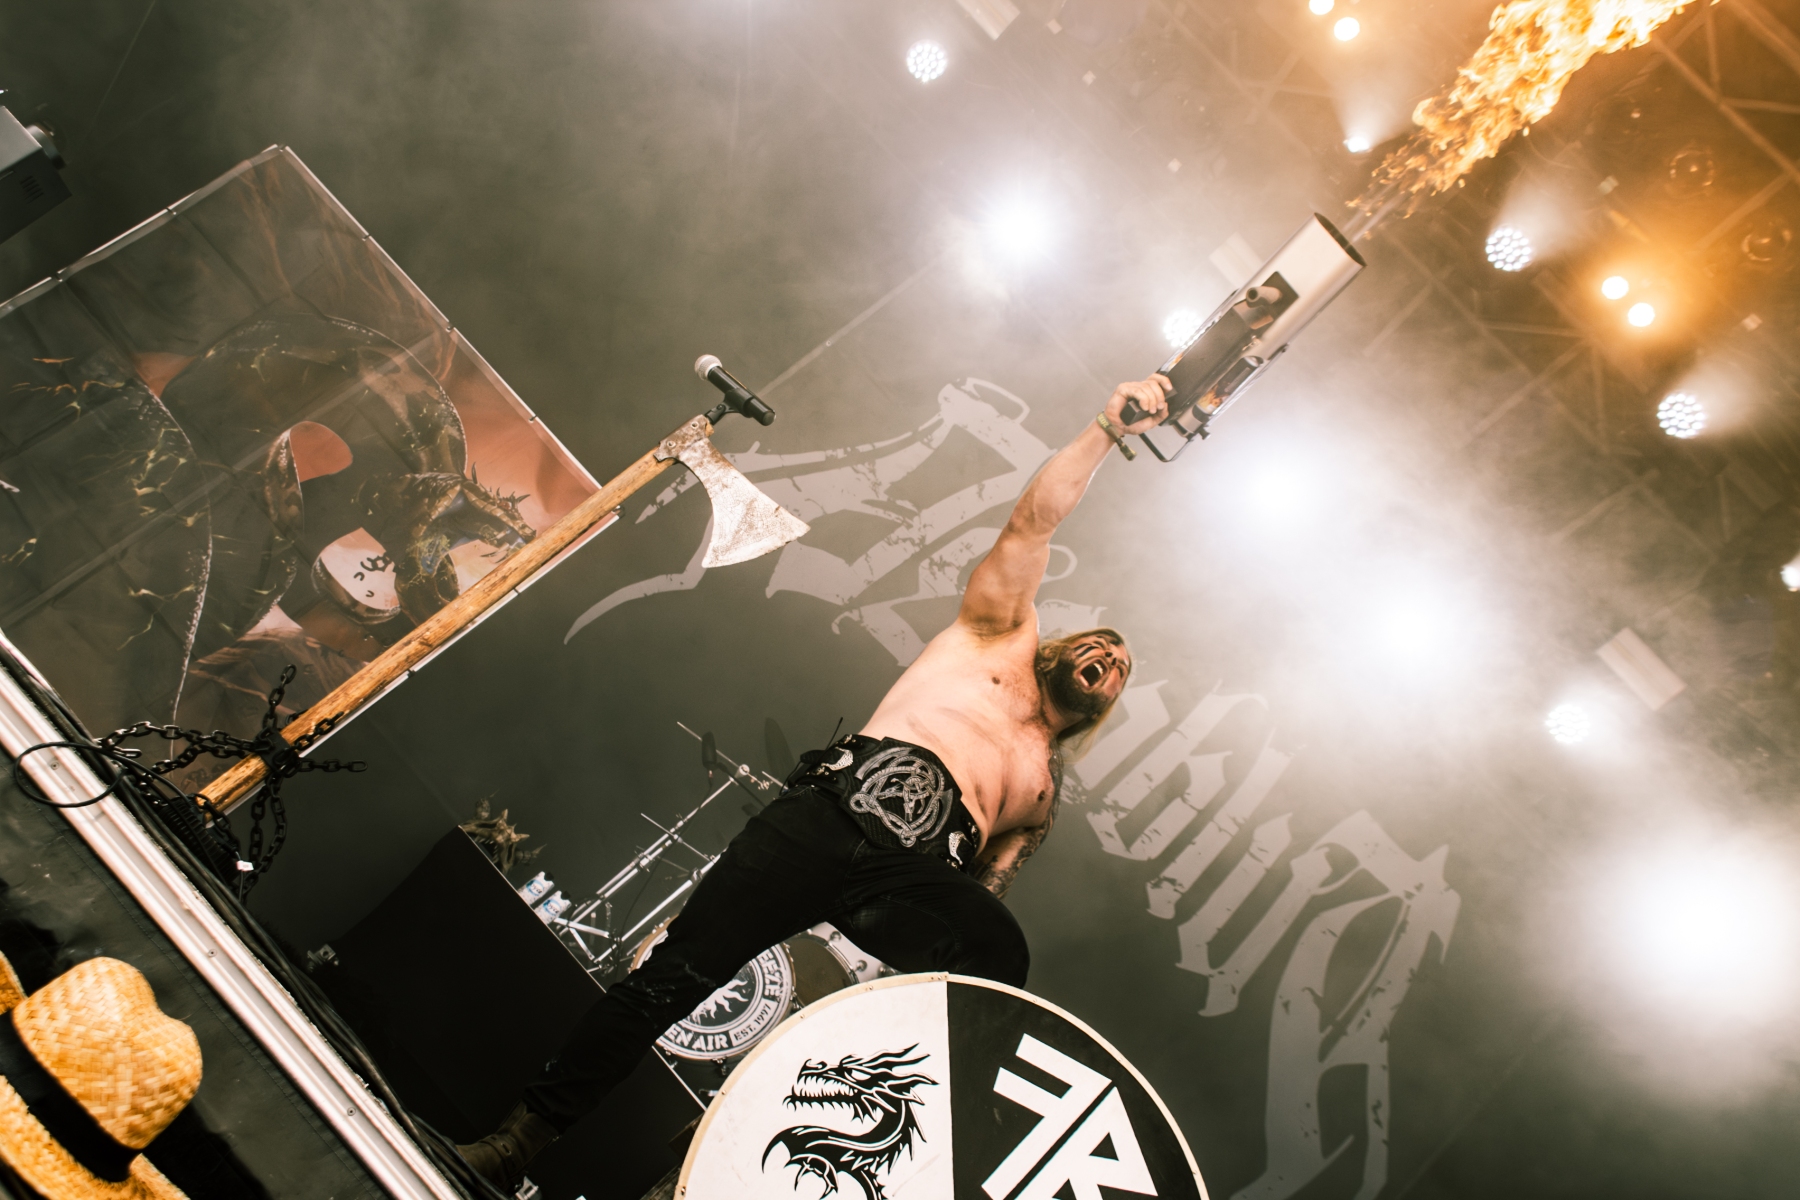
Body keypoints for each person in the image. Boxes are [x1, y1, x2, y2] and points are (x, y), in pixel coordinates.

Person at [457, 374, 1172, 1188]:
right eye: (1103, 644)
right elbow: (1034, 521)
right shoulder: (998, 634)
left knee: (993, 955)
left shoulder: (1041, 792)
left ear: (1106, 706)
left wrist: (926, 1000)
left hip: (905, 880)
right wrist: (1106, 429)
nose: (1110, 660)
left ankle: (801, 1131)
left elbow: (984, 896)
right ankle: (517, 1143)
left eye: (1121, 670)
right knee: (672, 979)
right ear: (1066, 645)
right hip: (830, 814)